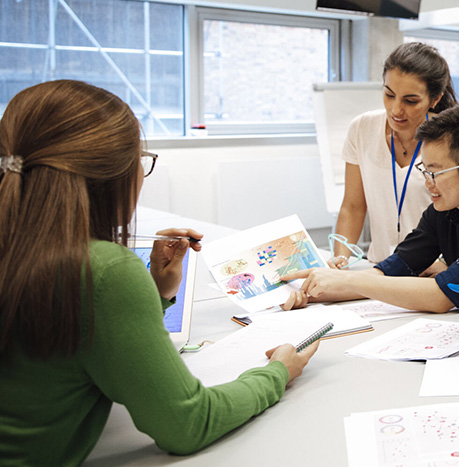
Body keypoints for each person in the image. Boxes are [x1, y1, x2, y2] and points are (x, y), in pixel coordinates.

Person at [0, 80, 316, 465]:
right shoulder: (101, 271)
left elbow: (70, 343)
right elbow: (187, 423)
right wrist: (278, 373)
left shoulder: (23, 247)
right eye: (142, 159)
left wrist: (155, 292)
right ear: (113, 175)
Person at [281, 104, 459, 312]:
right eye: (424, 170)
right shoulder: (443, 210)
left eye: (436, 172)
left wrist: (345, 279)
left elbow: (442, 295)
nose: (428, 183)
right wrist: (312, 291)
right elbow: (386, 273)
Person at [331, 42, 458, 268]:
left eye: (410, 101)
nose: (396, 110)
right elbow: (353, 206)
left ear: (435, 99)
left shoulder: (451, 139)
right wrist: (341, 259)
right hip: (378, 267)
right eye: (389, 95)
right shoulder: (362, 128)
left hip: (432, 271)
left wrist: (445, 264)